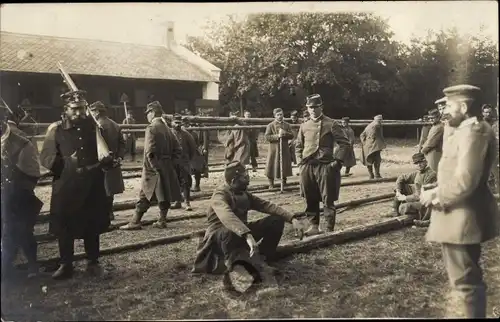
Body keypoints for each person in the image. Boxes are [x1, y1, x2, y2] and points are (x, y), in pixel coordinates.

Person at [420, 84, 499, 318]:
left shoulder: (475, 132)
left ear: (464, 107)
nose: (444, 111)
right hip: (457, 215)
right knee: (463, 280)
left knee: (465, 281)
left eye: (449, 106)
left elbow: (466, 180)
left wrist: (435, 196)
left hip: (461, 216)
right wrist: (436, 188)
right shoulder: (465, 130)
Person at [191, 161, 308, 289]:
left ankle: (262, 258)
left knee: (276, 220)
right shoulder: (219, 195)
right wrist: (247, 235)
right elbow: (227, 216)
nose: (248, 181)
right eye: (245, 178)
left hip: (240, 236)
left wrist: (292, 219)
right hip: (220, 241)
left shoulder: (243, 193)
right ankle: (234, 267)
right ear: (234, 180)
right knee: (229, 231)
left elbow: (266, 205)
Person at [40, 90, 112, 280]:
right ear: (66, 109)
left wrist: (107, 161)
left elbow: (104, 151)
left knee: (92, 224)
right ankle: (66, 265)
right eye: (75, 110)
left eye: (82, 109)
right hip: (67, 187)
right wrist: (66, 162)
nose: (79, 113)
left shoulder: (93, 127)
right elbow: (45, 158)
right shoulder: (55, 130)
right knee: (65, 226)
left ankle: (93, 263)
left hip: (91, 184)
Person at [120, 101, 182, 230]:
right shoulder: (168, 129)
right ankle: (162, 220)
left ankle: (135, 222)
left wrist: (155, 168)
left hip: (153, 169)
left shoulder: (152, 128)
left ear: (152, 112)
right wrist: (170, 164)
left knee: (145, 194)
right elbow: (178, 150)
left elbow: (150, 151)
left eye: (148, 113)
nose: (147, 116)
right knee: (164, 194)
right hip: (166, 167)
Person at [295, 94, 351, 236]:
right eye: (310, 107)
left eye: (316, 107)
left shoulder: (331, 123)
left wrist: (337, 163)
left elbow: (345, 144)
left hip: (325, 166)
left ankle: (329, 229)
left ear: (321, 107)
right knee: (310, 196)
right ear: (307, 108)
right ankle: (314, 226)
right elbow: (298, 146)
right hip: (308, 166)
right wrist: (300, 163)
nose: (313, 110)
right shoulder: (304, 125)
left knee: (328, 197)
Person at [1, 104, 43, 280]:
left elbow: (33, 173)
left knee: (22, 231)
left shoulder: (21, 143)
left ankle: (32, 266)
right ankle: (6, 267)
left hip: (17, 195)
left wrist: (15, 190)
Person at [89, 101, 126, 221]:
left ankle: (103, 213)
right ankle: (109, 212)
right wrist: (119, 157)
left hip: (100, 162)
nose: (92, 114)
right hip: (114, 161)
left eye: (93, 111)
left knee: (99, 189)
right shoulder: (115, 125)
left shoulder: (96, 126)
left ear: (98, 112)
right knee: (110, 190)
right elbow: (122, 143)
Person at [388, 153, 436, 226]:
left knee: (403, 207)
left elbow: (421, 195)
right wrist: (398, 191)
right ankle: (394, 210)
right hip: (418, 198)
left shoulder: (431, 175)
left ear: (426, 162)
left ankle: (417, 215)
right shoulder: (418, 173)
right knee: (402, 186)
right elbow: (401, 178)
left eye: (421, 162)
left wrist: (405, 198)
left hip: (426, 203)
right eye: (416, 163)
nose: (419, 165)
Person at [171, 114, 198, 211]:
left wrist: (187, 159)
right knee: (175, 182)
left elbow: (192, 148)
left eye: (179, 123)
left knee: (185, 182)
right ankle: (177, 201)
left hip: (184, 162)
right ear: (172, 123)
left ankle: (187, 202)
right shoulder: (169, 134)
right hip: (173, 163)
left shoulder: (186, 134)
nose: (177, 125)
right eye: (176, 123)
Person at [264, 108, 294, 189]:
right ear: (275, 116)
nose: (280, 116)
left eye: (281, 114)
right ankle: (271, 183)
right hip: (274, 149)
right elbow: (267, 137)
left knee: (284, 164)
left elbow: (292, 135)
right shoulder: (270, 125)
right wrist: (277, 136)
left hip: (284, 148)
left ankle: (284, 182)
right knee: (272, 164)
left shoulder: (287, 125)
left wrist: (285, 133)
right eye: (278, 115)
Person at [183, 118, 207, 192]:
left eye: (187, 124)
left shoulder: (193, 134)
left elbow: (198, 144)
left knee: (197, 170)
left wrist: (201, 149)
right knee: (185, 171)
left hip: (194, 153)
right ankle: (186, 187)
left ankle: (197, 185)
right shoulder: (180, 133)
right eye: (184, 124)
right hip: (185, 154)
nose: (186, 126)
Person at [360, 114, 386, 179]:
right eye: (380, 120)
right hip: (374, 146)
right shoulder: (377, 125)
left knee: (369, 160)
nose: (380, 121)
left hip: (368, 146)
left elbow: (362, 135)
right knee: (377, 160)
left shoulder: (369, 125)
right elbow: (379, 136)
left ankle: (371, 175)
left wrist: (364, 143)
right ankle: (377, 175)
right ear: (378, 120)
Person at [481, 104, 499, 193]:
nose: (488, 114)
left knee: (495, 172)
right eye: (486, 112)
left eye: (489, 112)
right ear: (482, 113)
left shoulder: (495, 123)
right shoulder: (481, 124)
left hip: (493, 151)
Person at [421, 108, 444, 173]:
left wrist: (422, 151)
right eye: (430, 118)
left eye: (433, 118)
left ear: (438, 117)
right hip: (430, 152)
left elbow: (431, 143)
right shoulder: (434, 126)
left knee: (432, 171)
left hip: (434, 152)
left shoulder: (439, 127)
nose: (431, 120)